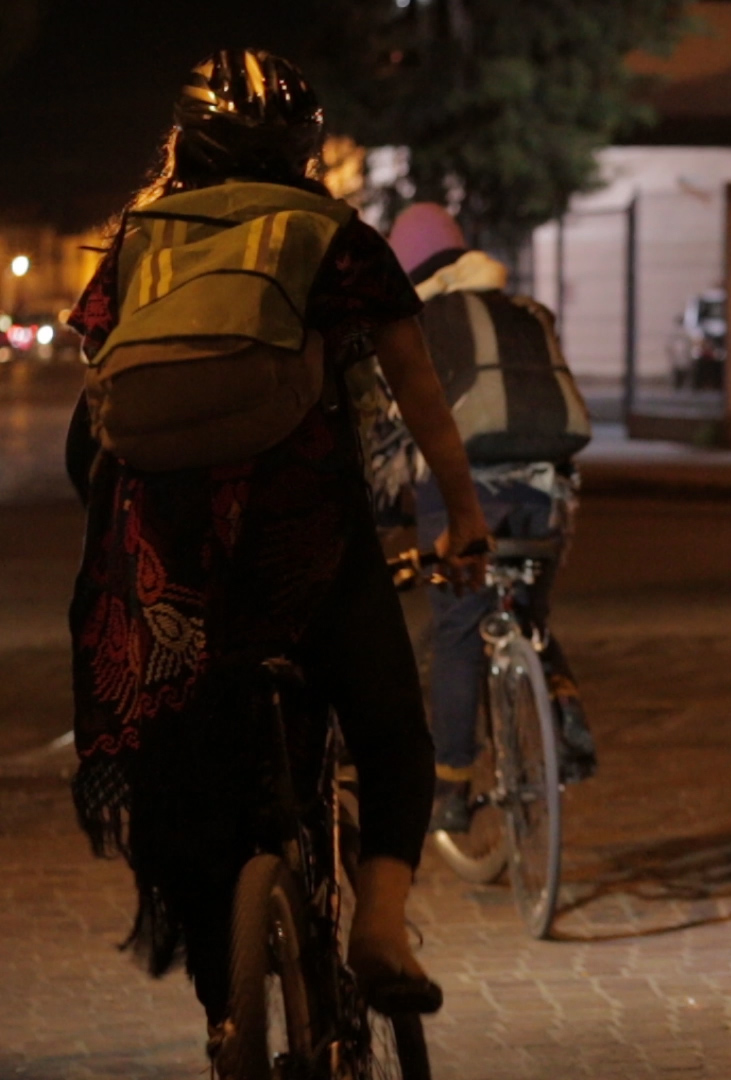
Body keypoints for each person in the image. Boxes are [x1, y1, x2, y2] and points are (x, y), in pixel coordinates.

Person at [65, 50, 490, 1036]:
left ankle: (229, 1021)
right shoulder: (331, 235)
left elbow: (97, 417)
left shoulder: (135, 241)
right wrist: (462, 518)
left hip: (164, 557)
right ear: (305, 148)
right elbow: (419, 393)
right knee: (389, 724)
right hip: (300, 533)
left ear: (186, 143)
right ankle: (381, 927)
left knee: (188, 773)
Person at [377, 202, 599, 833]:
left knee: (456, 631)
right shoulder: (526, 310)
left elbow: (395, 427)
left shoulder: (415, 323)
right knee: (527, 613)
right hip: (545, 487)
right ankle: (564, 703)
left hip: (464, 491)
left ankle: (450, 787)